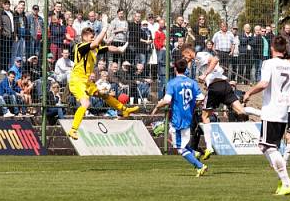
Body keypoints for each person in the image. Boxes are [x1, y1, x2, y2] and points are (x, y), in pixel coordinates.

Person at [241, 36, 290, 195]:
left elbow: (264, 83)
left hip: (271, 111)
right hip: (283, 112)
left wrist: (248, 92)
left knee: (268, 146)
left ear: (272, 49)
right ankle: (282, 179)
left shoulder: (269, 63)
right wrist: (288, 97)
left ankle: (286, 182)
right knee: (264, 146)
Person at [66, 13, 138, 141]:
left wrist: (120, 50)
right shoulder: (81, 46)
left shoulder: (94, 48)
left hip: (86, 80)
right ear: (84, 37)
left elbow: (107, 47)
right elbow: (95, 44)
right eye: (89, 35)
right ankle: (73, 130)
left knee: (104, 95)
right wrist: (105, 28)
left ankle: (124, 110)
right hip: (77, 80)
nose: (92, 36)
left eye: (93, 34)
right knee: (86, 103)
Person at [180, 43, 249, 151]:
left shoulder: (199, 55)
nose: (184, 58)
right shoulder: (197, 61)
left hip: (215, 87)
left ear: (188, 53)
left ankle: (209, 147)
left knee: (205, 116)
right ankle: (249, 114)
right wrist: (205, 80)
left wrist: (205, 74)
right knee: (241, 111)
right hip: (224, 85)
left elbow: (215, 59)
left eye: (184, 56)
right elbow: (212, 64)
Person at [152, 58, 208, 177]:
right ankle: (195, 153)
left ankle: (200, 166)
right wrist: (191, 105)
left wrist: (157, 107)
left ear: (175, 68)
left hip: (177, 118)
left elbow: (167, 100)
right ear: (186, 69)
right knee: (180, 142)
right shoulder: (192, 82)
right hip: (188, 116)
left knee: (179, 148)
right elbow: (201, 98)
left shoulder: (172, 83)